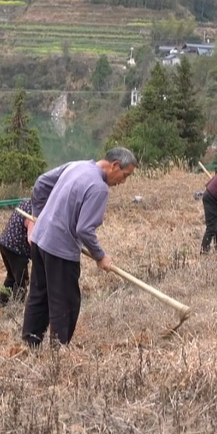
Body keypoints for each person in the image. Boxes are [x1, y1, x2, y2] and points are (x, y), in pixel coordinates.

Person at [21, 147, 137, 348]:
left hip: (40, 240)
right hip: (60, 250)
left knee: (39, 294)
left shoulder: (77, 166)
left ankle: (31, 343)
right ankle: (59, 352)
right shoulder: (99, 188)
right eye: (125, 175)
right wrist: (100, 256)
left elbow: (41, 183)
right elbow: (84, 229)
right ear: (115, 165)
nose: (123, 182)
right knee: (65, 301)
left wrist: (39, 216)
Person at [0, 198, 35, 305]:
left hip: (4, 244)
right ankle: (18, 306)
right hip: (16, 249)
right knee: (22, 280)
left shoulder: (24, 203)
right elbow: (31, 239)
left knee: (12, 275)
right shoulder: (34, 212)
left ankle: (2, 300)